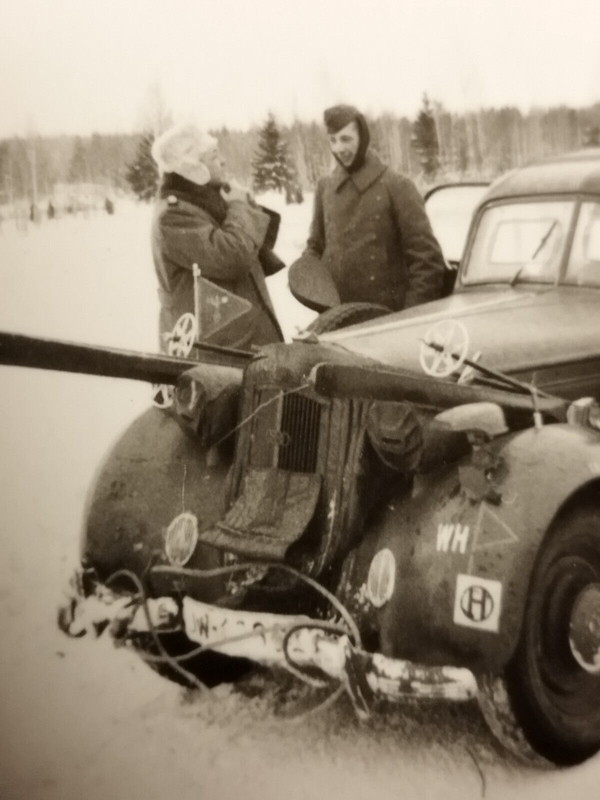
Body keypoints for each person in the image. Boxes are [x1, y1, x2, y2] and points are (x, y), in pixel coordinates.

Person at [290, 104, 447, 313]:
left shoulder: (397, 186)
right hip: (338, 319)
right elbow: (315, 247)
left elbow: (427, 262)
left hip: (385, 322)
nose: (338, 148)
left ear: (362, 137)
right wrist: (306, 277)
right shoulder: (325, 188)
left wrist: (407, 319)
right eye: (333, 140)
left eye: (346, 139)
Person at [151, 123, 284, 352]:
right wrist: (239, 206)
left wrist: (243, 204)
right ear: (193, 167)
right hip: (216, 352)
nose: (223, 161)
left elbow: (257, 249)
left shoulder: (206, 202)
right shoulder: (173, 216)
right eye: (214, 156)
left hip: (239, 342)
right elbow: (234, 256)